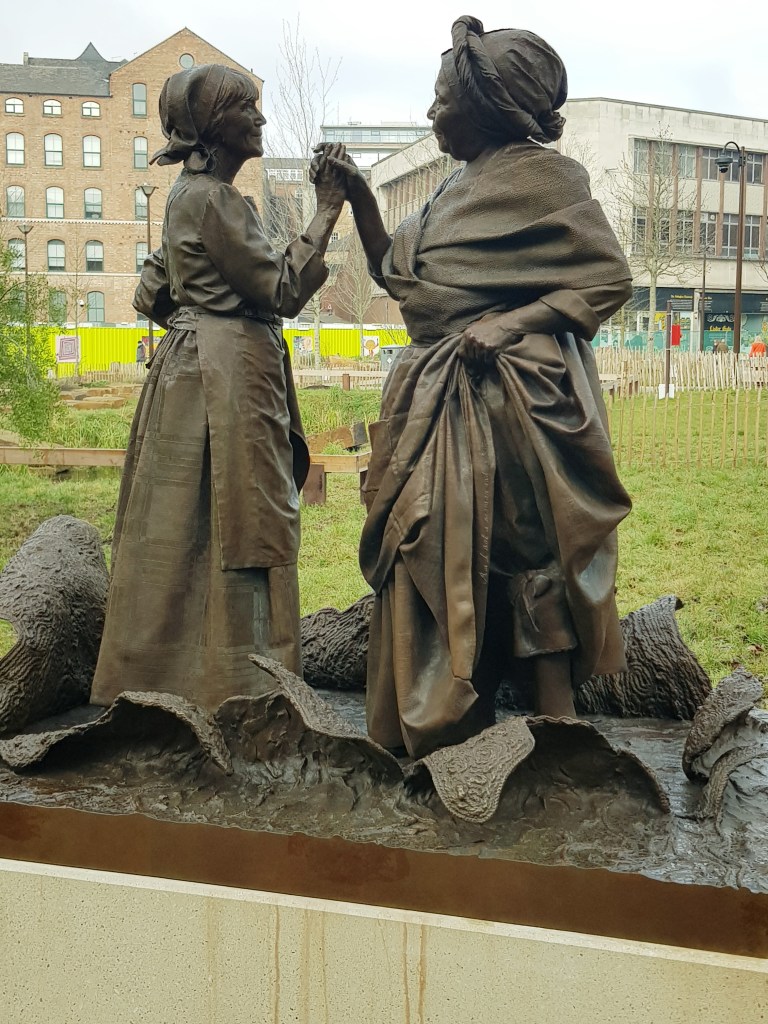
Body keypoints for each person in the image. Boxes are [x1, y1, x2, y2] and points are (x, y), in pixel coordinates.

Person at [322, 18, 633, 758]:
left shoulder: (545, 179)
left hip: (517, 404)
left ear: (487, 107)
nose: (432, 113)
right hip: (437, 402)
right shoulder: (450, 187)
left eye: (441, 100)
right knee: (430, 548)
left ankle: (560, 728)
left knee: (529, 555)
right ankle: (455, 719)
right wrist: (360, 198)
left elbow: (608, 278)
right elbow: (402, 278)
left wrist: (513, 322)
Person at [91, 64, 346, 710]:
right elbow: (282, 289)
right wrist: (327, 209)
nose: (260, 118)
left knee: (183, 533)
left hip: (190, 378)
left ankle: (166, 684)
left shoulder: (188, 196)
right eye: (246, 109)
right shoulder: (215, 201)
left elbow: (150, 292)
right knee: (244, 530)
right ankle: (246, 692)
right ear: (211, 128)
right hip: (226, 385)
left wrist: (195, 320)